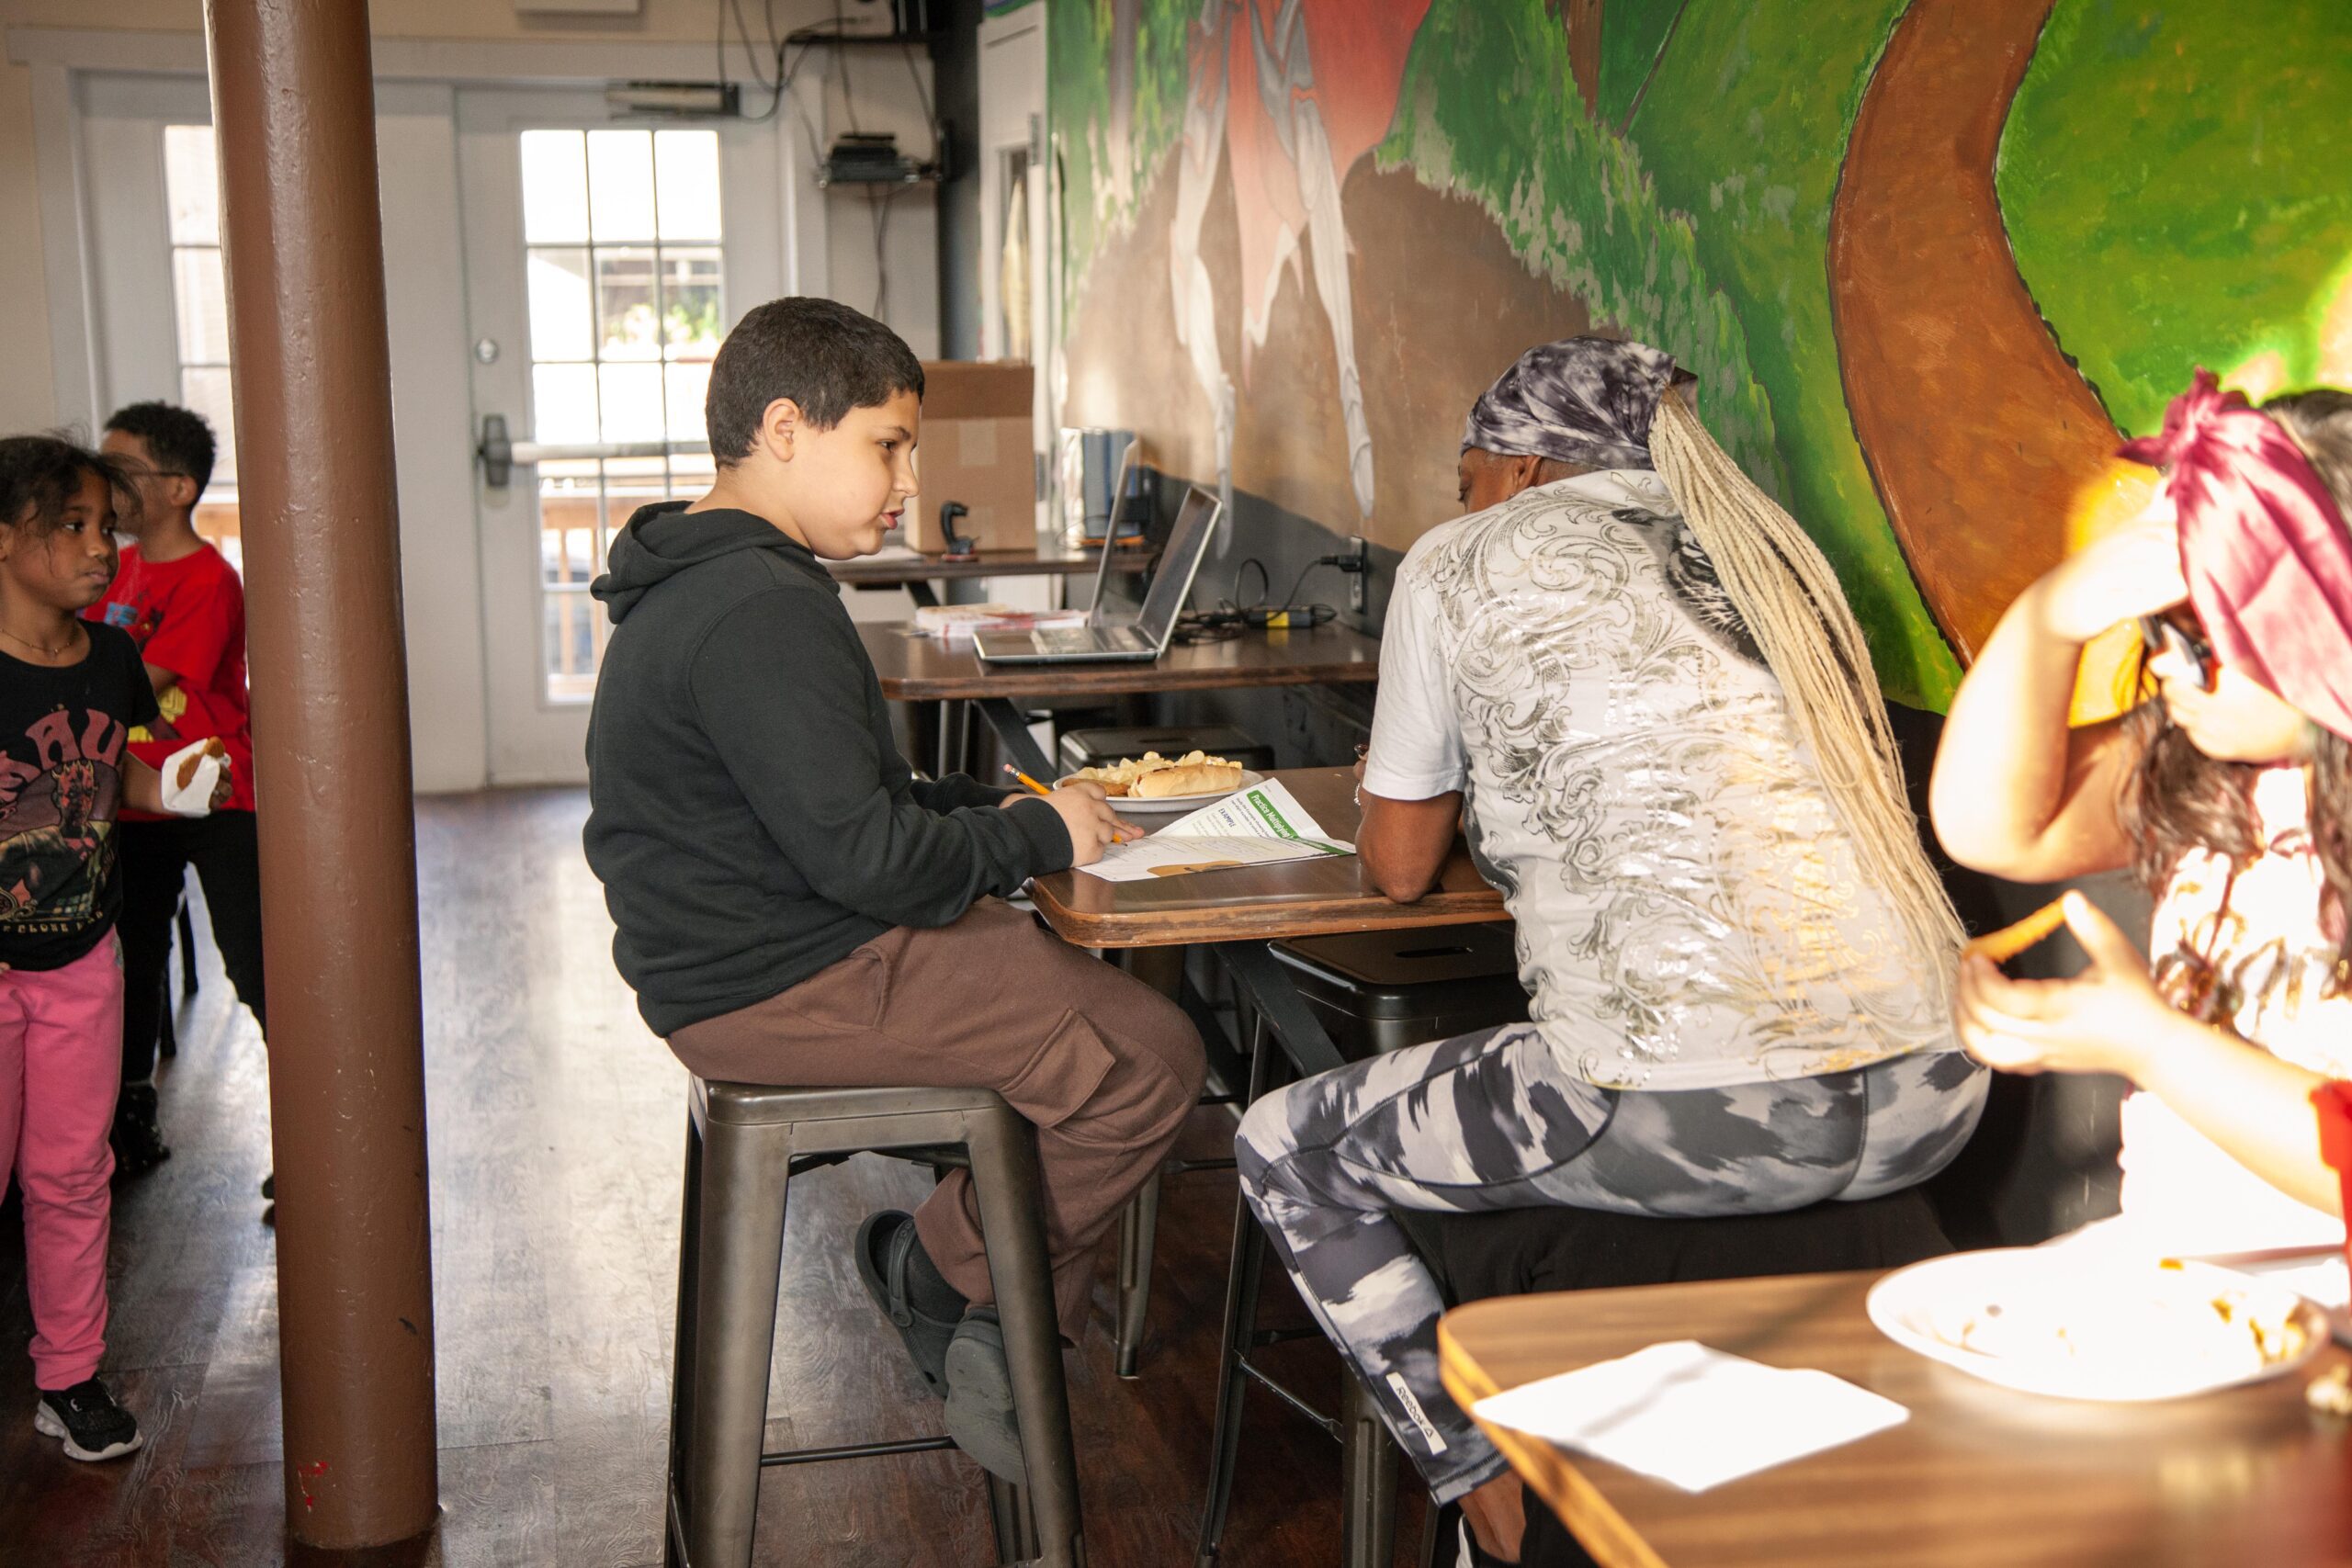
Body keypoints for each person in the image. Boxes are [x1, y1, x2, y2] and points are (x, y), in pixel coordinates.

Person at [1233, 337, 1988, 1564]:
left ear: (1524, 467)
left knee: (1284, 1148)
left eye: (1466, 473)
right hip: (1939, 1089)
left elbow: (1400, 863)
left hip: (1693, 1118)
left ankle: (1485, 1486)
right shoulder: (1769, 550)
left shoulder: (1460, 560)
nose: (1459, 499)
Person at [582, 297, 1204, 1482]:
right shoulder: (761, 606)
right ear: (783, 429)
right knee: (1149, 1062)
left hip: (747, 957)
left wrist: (1004, 814)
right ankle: (948, 1278)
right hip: (782, 978)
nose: (907, 479)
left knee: (1066, 1012)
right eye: (887, 443)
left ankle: (986, 1313)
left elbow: (851, 804)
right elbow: (866, 861)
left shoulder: (721, 578)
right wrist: (1031, 838)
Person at [1933, 374, 2352, 1238]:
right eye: (2154, 630)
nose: (2164, 667)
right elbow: (1993, 827)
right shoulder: (2215, 769)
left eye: (2198, 639)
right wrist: (2053, 617)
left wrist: (2150, 1043)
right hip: (2189, 1295)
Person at [0, 434, 231, 1461]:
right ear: (5, 541)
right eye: (76, 528)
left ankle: (70, 1377)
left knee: (71, 1173)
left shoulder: (110, 658)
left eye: (107, 526)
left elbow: (112, 776)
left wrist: (171, 786)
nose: (105, 547)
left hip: (83, 959)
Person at [85, 401, 265, 1179]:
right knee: (132, 953)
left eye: (122, 472)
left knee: (252, 959)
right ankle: (129, 1117)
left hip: (214, 792)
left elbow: (137, 683)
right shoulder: (113, 568)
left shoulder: (208, 579)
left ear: (179, 488)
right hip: (130, 794)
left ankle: (304, 1126)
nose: (106, 486)